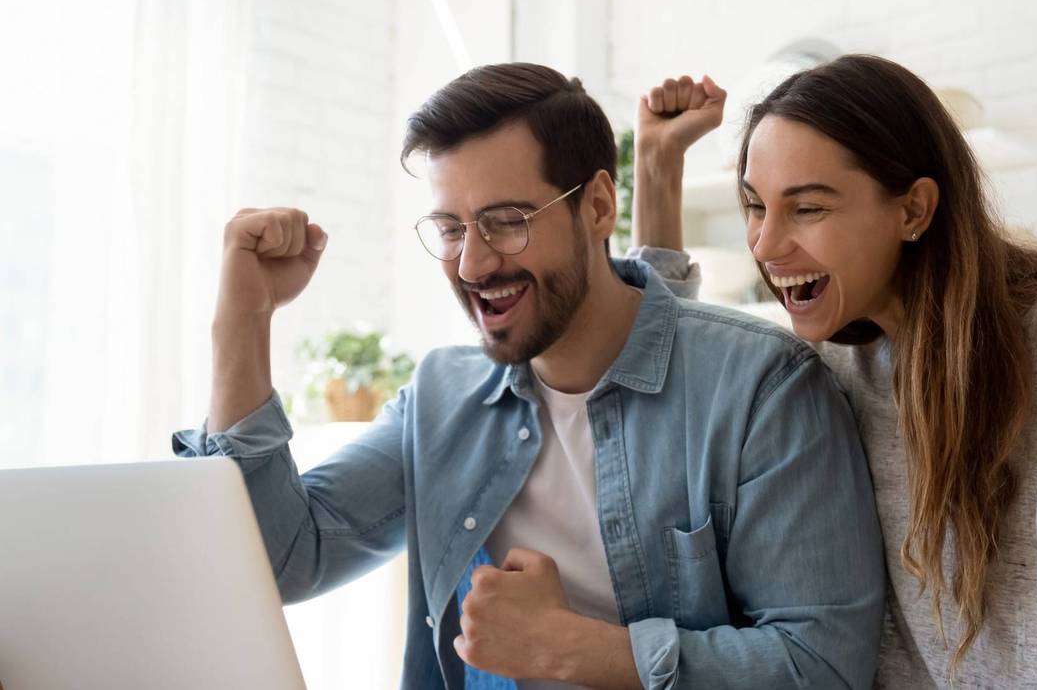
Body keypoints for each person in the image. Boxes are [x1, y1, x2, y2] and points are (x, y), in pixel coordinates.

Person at [173, 62, 886, 690]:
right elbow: (282, 561)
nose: (472, 264)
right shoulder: (442, 398)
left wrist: (569, 648)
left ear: (598, 206)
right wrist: (244, 319)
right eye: (451, 229)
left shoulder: (761, 388)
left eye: (506, 220)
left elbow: (821, 667)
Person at [633, 56, 1037, 687]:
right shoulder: (837, 362)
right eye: (755, 206)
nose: (765, 243)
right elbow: (672, 381)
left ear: (914, 210)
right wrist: (657, 167)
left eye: (807, 209)